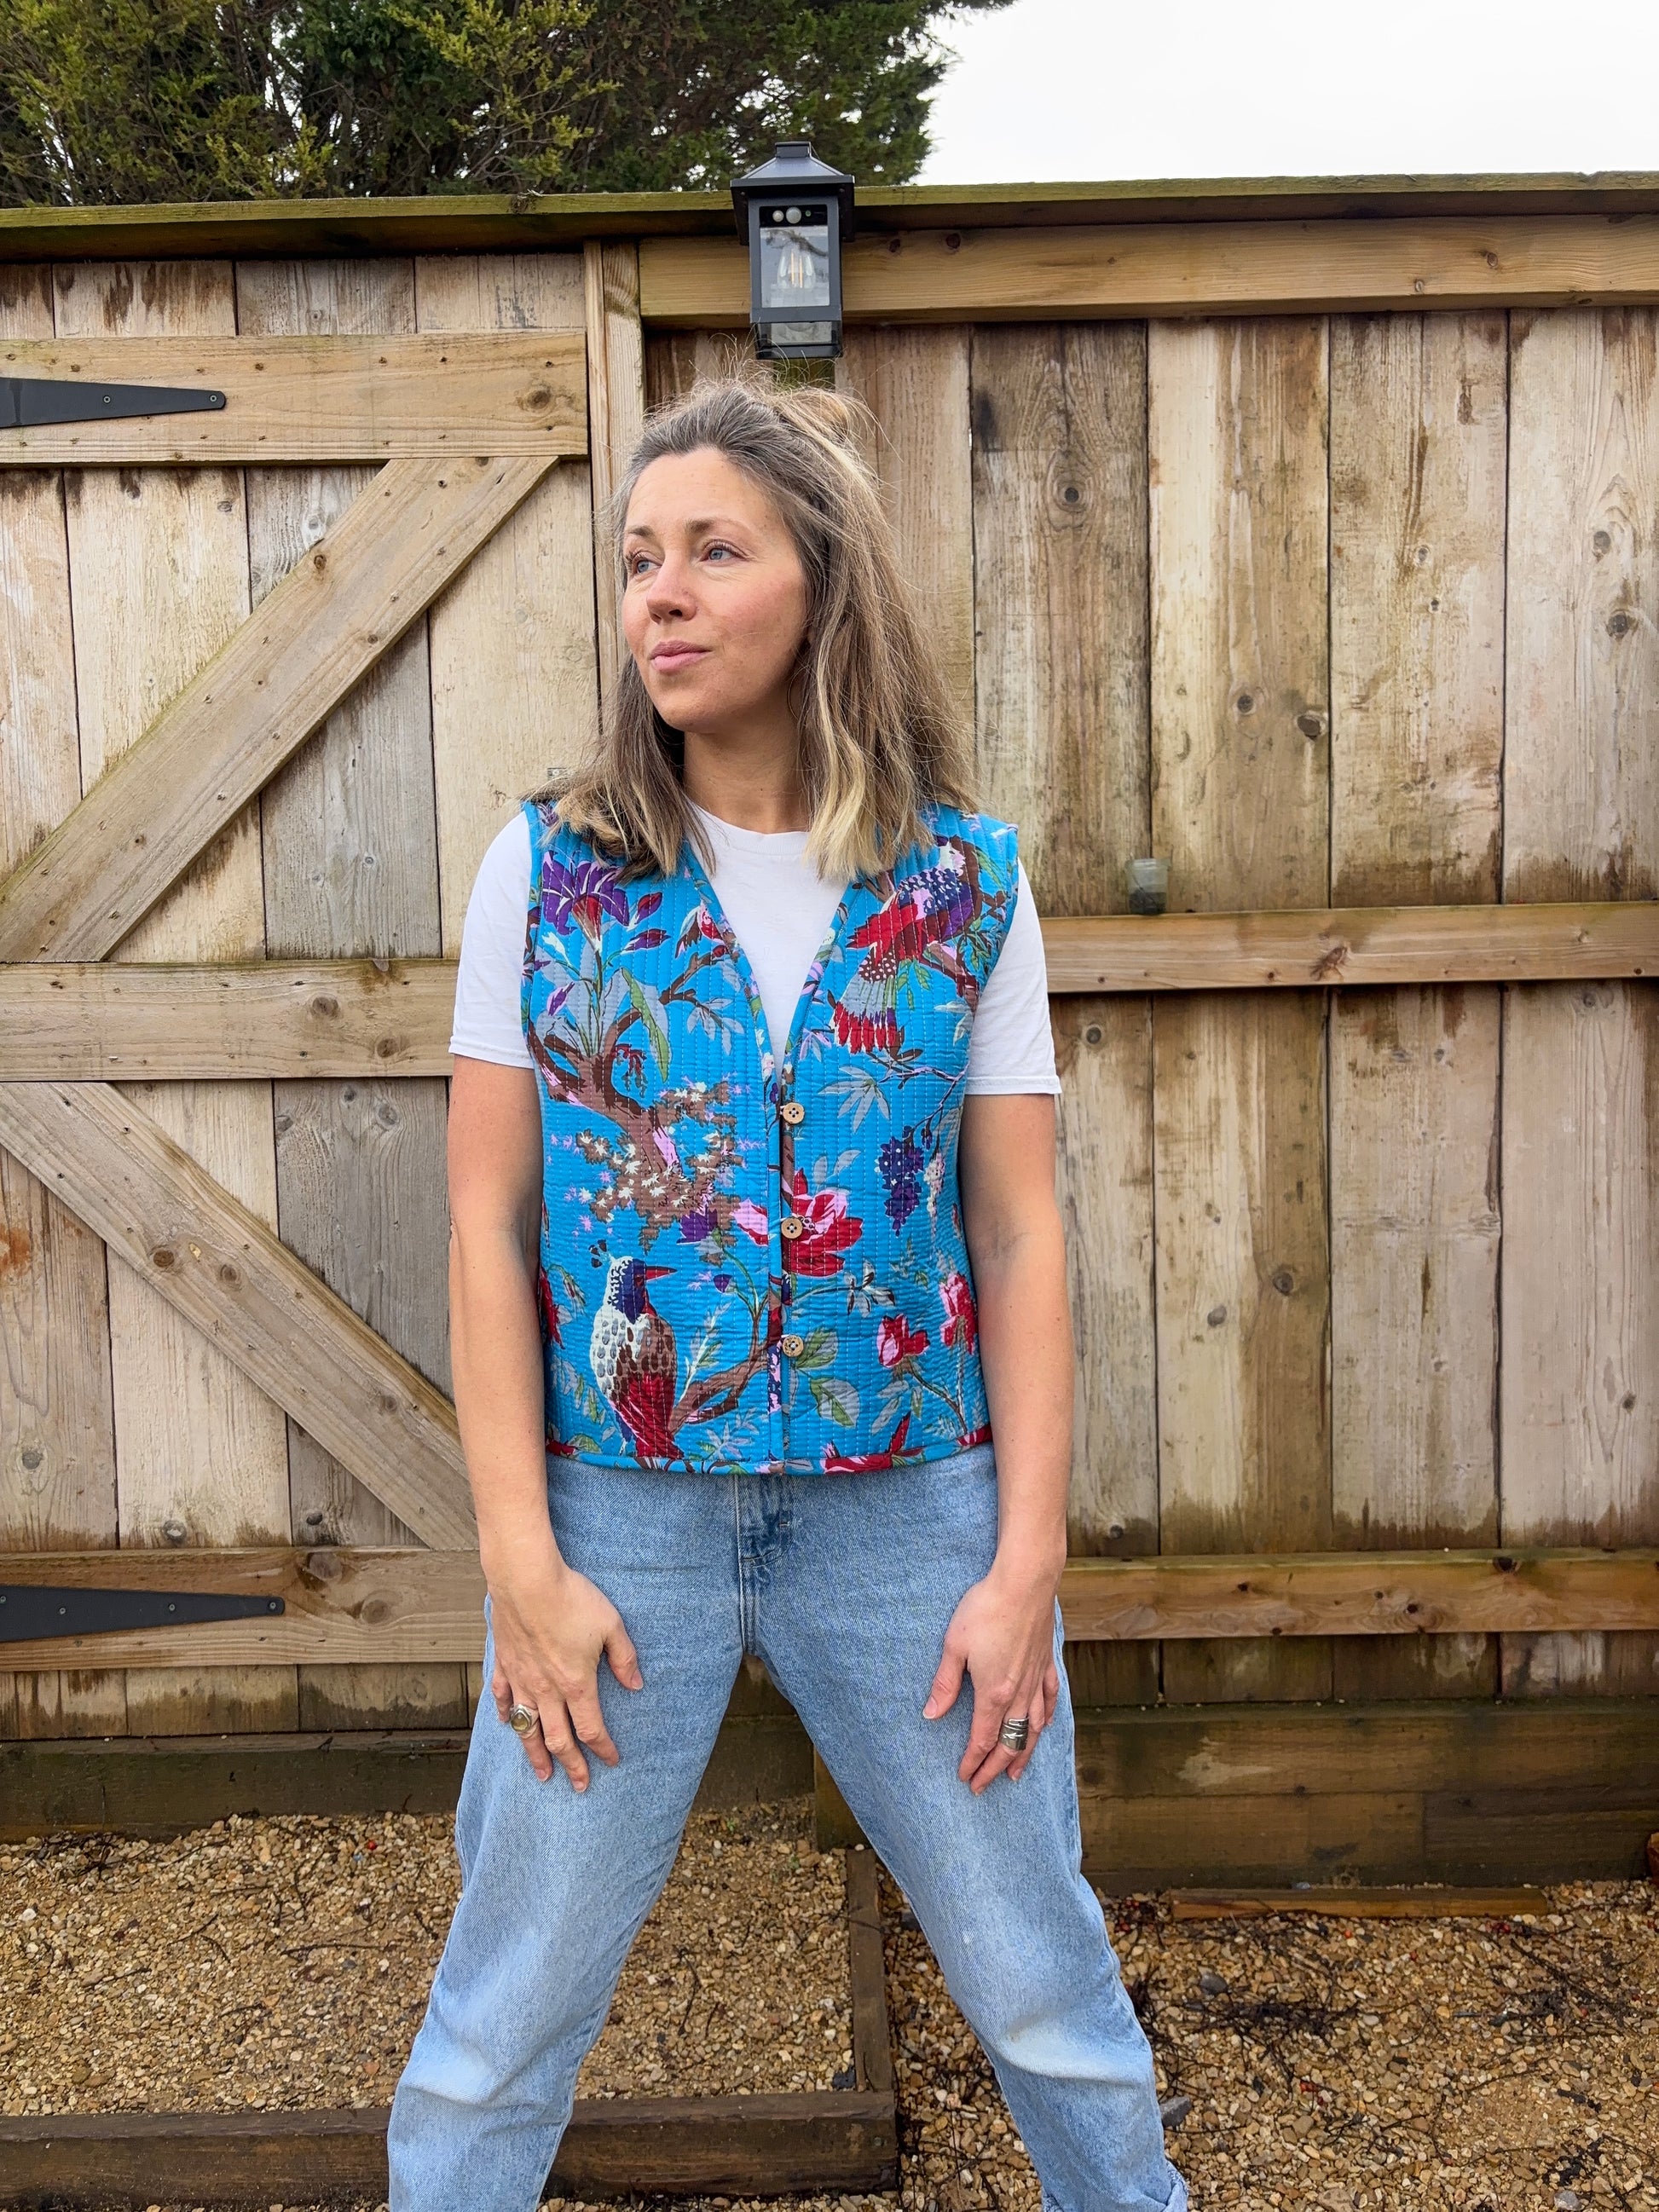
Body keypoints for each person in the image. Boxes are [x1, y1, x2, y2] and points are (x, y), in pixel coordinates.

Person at [387, 374, 1188, 2212]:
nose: (658, 595)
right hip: (616, 1521)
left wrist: (1024, 1566)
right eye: (637, 560)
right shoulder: (551, 873)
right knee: (506, 2016)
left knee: (1041, 1983)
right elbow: (485, 1223)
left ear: (823, 584)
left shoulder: (963, 886)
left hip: (910, 1519)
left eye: (712, 552)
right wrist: (519, 1564)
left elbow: (1019, 1233)